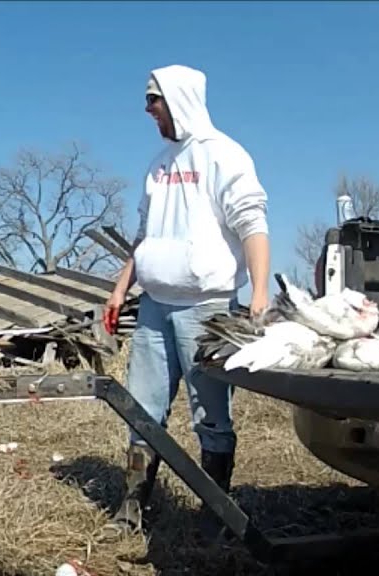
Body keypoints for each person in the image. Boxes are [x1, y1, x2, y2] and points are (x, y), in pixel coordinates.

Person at [103, 65, 272, 537]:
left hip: (207, 307)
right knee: (140, 406)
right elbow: (143, 237)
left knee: (210, 413)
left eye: (152, 99)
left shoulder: (225, 155)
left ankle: (216, 513)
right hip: (155, 305)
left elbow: (252, 224)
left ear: (177, 99)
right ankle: (133, 506)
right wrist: (120, 290)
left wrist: (258, 293)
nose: (146, 108)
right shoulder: (158, 165)